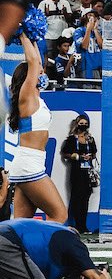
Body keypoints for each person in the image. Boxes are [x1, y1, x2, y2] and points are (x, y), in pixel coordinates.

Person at [6, 31, 66, 223]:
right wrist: (22, 33)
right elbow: (33, 62)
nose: (41, 72)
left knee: (21, 224)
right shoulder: (27, 96)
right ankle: (47, 252)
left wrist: (33, 36)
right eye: (37, 72)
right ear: (28, 79)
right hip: (29, 165)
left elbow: (35, 61)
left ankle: (14, 253)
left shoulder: (34, 98)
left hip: (27, 164)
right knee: (59, 214)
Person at [0, 212, 111, 279]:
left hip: (7, 237)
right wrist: (105, 277)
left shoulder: (52, 234)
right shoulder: (72, 241)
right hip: (8, 240)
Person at [59, 115, 97, 235]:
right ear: (77, 124)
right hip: (76, 172)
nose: (83, 125)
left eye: (85, 123)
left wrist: (90, 156)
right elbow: (64, 153)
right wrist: (75, 156)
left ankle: (83, 226)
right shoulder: (71, 139)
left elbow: (94, 152)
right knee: (75, 198)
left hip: (87, 172)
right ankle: (73, 225)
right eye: (81, 123)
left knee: (85, 199)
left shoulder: (90, 139)